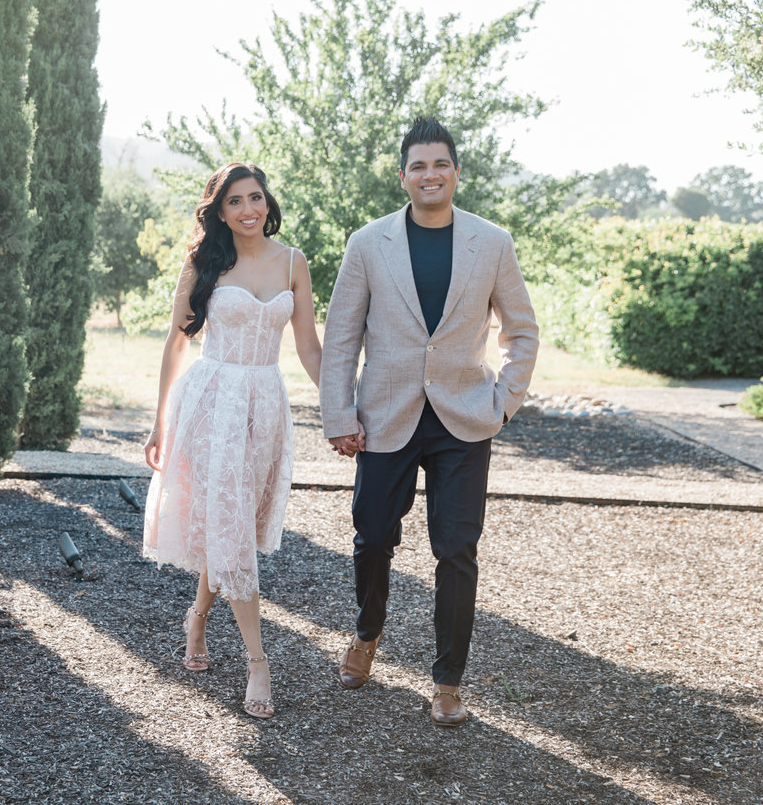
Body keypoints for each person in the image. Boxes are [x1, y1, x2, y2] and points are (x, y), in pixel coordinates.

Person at [320, 116, 539, 726]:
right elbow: (340, 338)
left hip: (464, 421)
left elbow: (522, 330)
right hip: (384, 416)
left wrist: (505, 400)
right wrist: (339, 414)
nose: (430, 174)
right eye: (418, 165)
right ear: (403, 177)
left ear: (456, 172)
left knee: (457, 548)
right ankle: (367, 635)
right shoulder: (367, 244)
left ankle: (447, 680)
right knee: (372, 536)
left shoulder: (491, 242)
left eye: (440, 163)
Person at [143, 162, 322, 720]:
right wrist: (158, 423)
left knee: (232, 520)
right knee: (231, 523)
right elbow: (175, 346)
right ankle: (257, 661)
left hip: (265, 406)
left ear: (267, 202)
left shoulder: (294, 262)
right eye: (236, 202)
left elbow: (310, 348)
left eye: (256, 198)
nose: (249, 210)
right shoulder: (205, 265)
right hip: (212, 403)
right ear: (219, 212)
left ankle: (197, 615)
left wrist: (345, 405)